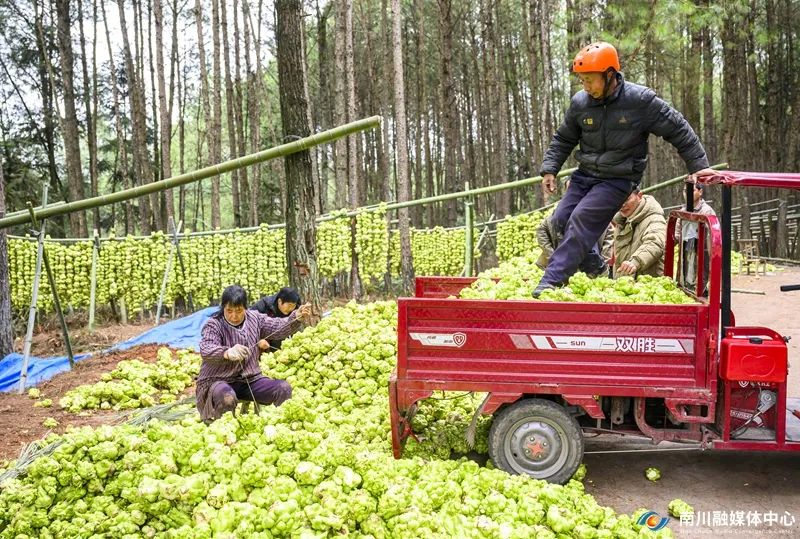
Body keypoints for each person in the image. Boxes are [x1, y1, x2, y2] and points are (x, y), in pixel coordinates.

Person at [532, 41, 715, 297]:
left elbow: (678, 129)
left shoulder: (640, 101)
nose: (586, 87)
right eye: (582, 81)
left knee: (581, 219)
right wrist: (550, 169)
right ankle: (594, 264)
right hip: (585, 175)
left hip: (618, 179)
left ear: (609, 75)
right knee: (559, 220)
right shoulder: (580, 103)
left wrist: (699, 168)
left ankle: (551, 280)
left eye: (590, 80)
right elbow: (564, 138)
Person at [197, 285, 313, 423]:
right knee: (227, 398)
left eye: (239, 311)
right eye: (229, 311)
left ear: (245, 308)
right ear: (223, 308)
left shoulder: (255, 319)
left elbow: (278, 326)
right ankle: (222, 434)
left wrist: (296, 317)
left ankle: (280, 427)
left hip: (250, 379)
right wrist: (226, 352)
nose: (234, 316)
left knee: (283, 388)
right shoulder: (214, 324)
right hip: (219, 380)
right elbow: (206, 348)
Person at [612, 189, 666, 278]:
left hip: (647, 286)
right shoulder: (621, 221)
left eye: (626, 199)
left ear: (639, 195)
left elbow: (655, 243)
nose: (622, 205)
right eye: (618, 200)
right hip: (625, 284)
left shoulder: (655, 219)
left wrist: (635, 262)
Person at [675, 183, 716, 292]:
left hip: (702, 252)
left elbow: (711, 237)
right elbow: (676, 234)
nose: (687, 194)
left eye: (691, 191)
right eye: (685, 191)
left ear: (700, 192)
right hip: (685, 251)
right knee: (684, 279)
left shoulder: (706, 211)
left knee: (700, 282)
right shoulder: (682, 211)